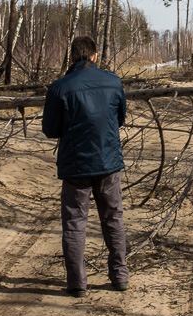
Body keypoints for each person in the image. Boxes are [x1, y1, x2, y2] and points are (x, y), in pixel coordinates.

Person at [41, 35, 129, 298]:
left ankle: (77, 284)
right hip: (108, 163)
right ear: (95, 56)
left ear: (72, 57)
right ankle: (120, 276)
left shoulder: (59, 88)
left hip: (76, 166)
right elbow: (120, 118)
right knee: (113, 218)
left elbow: (50, 129)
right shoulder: (113, 83)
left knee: (74, 222)